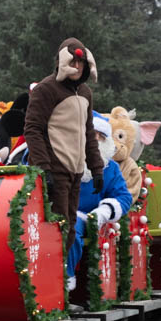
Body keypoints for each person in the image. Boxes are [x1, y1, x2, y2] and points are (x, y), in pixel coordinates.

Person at [24, 38, 104, 223]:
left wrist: (96, 169)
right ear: (62, 62)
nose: (76, 66)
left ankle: (67, 254)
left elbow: (88, 131)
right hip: (54, 168)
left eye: (80, 62)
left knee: (69, 227)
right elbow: (32, 129)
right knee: (57, 227)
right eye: (72, 62)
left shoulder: (85, 93)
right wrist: (44, 169)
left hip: (75, 171)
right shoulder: (46, 89)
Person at [66, 112, 134, 289]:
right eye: (91, 136)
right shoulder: (66, 160)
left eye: (101, 137)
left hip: (89, 219)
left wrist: (104, 212)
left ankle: (65, 281)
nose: (95, 142)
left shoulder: (110, 168)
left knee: (70, 229)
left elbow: (124, 197)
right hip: (58, 211)